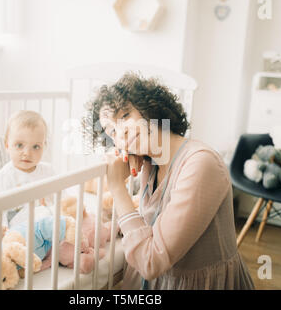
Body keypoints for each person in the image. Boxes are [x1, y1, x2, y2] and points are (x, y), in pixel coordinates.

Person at [84, 72, 255, 289]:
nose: (122, 133)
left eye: (125, 115)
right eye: (111, 131)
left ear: (150, 107)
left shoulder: (201, 164)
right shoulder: (151, 162)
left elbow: (150, 262)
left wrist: (117, 187)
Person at [0, 110, 55, 228]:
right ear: (7, 146)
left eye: (36, 147)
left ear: (44, 147)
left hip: (48, 224)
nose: (27, 153)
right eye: (19, 145)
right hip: (20, 227)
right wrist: (1, 227)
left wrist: (69, 209)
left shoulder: (48, 171)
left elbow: (62, 197)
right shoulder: (4, 176)